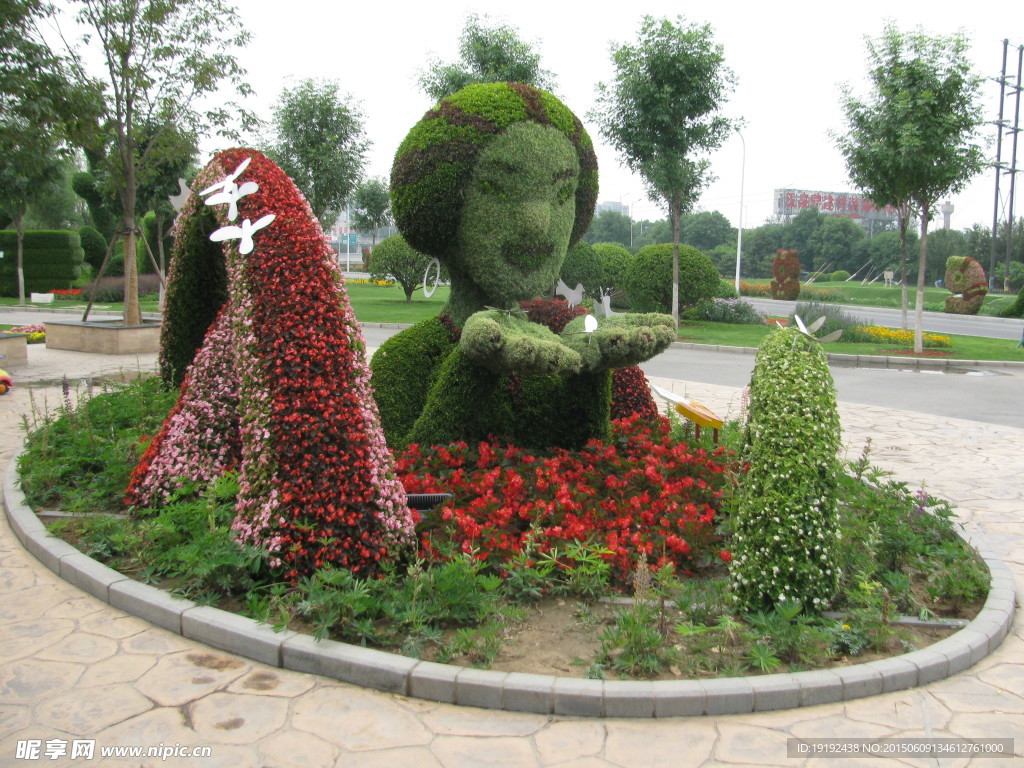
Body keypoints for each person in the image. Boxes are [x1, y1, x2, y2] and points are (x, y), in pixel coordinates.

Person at [371, 83, 675, 449]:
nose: (538, 223)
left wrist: (591, 369)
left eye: (563, 193)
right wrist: (475, 367)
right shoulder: (404, 362)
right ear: (445, 207)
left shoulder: (555, 348)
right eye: (497, 188)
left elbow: (587, 464)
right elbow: (400, 473)